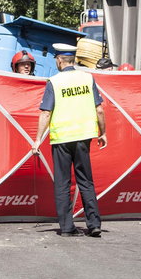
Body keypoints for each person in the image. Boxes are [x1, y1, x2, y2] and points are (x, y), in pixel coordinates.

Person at [33, 43, 107, 237]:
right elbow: (99, 109)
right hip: (83, 138)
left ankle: (66, 227)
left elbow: (45, 113)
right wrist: (103, 132)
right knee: (86, 181)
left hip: (61, 139)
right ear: (73, 60)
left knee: (62, 183)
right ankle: (94, 224)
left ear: (59, 60)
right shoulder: (88, 78)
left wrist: (37, 140)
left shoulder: (55, 82)